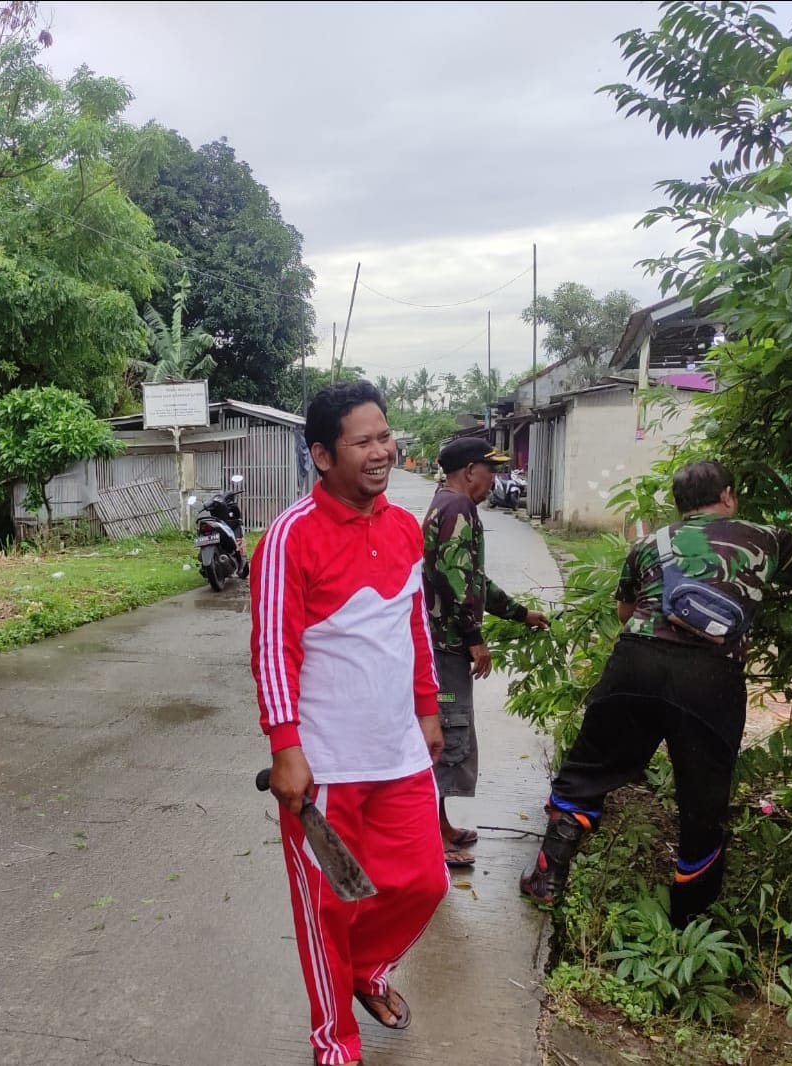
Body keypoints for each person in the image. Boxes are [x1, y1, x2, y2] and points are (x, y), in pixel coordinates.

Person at [520, 460, 792, 927]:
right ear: (729, 495)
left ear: (679, 505)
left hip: (635, 663)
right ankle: (687, 922)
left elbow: (624, 612)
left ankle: (547, 879)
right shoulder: (765, 537)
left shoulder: (650, 544)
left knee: (588, 772)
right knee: (703, 800)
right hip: (711, 676)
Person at [250, 380, 449, 1066]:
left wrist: (428, 709)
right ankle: (335, 1044)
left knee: (425, 880)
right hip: (325, 766)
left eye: (384, 436)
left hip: (397, 753)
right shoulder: (289, 537)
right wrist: (286, 747)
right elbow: (274, 647)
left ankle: (366, 970)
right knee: (330, 907)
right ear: (321, 456)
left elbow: (414, 627)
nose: (381, 451)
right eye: (362, 442)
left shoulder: (402, 527)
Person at [421, 438, 548, 870]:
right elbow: (454, 581)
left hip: (446, 643)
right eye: (489, 471)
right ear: (469, 471)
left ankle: (443, 827)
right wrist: (474, 637)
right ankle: (432, 839)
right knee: (446, 740)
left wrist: (518, 613)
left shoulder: (451, 506)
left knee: (451, 737)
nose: (494, 480)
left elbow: (473, 581)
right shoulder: (457, 509)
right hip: (446, 646)